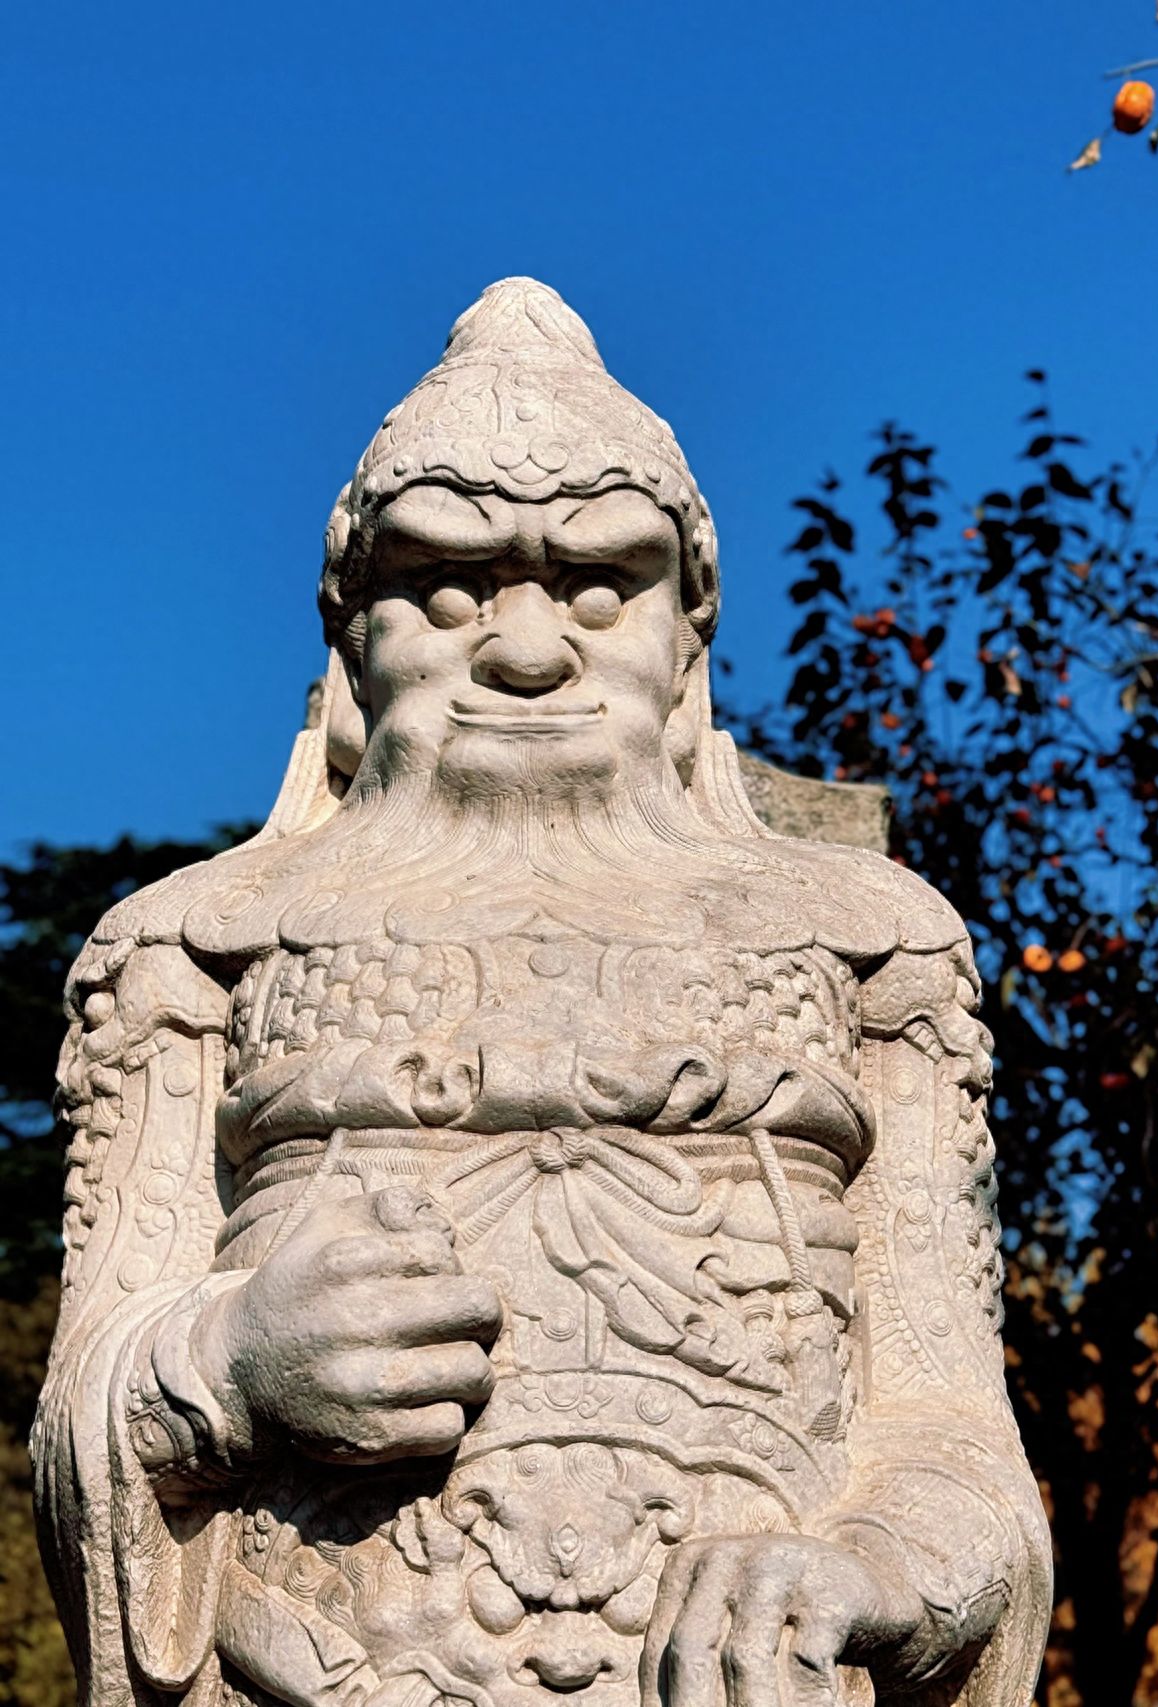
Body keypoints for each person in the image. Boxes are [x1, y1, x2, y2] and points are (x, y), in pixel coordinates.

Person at [34, 279, 1050, 1707]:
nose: (523, 651)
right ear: (352, 636)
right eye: (446, 588)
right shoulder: (193, 950)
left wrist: (869, 1568)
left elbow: (952, 1436)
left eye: (598, 587)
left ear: (688, 637)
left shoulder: (872, 950)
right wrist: (229, 1367)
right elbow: (78, 1415)